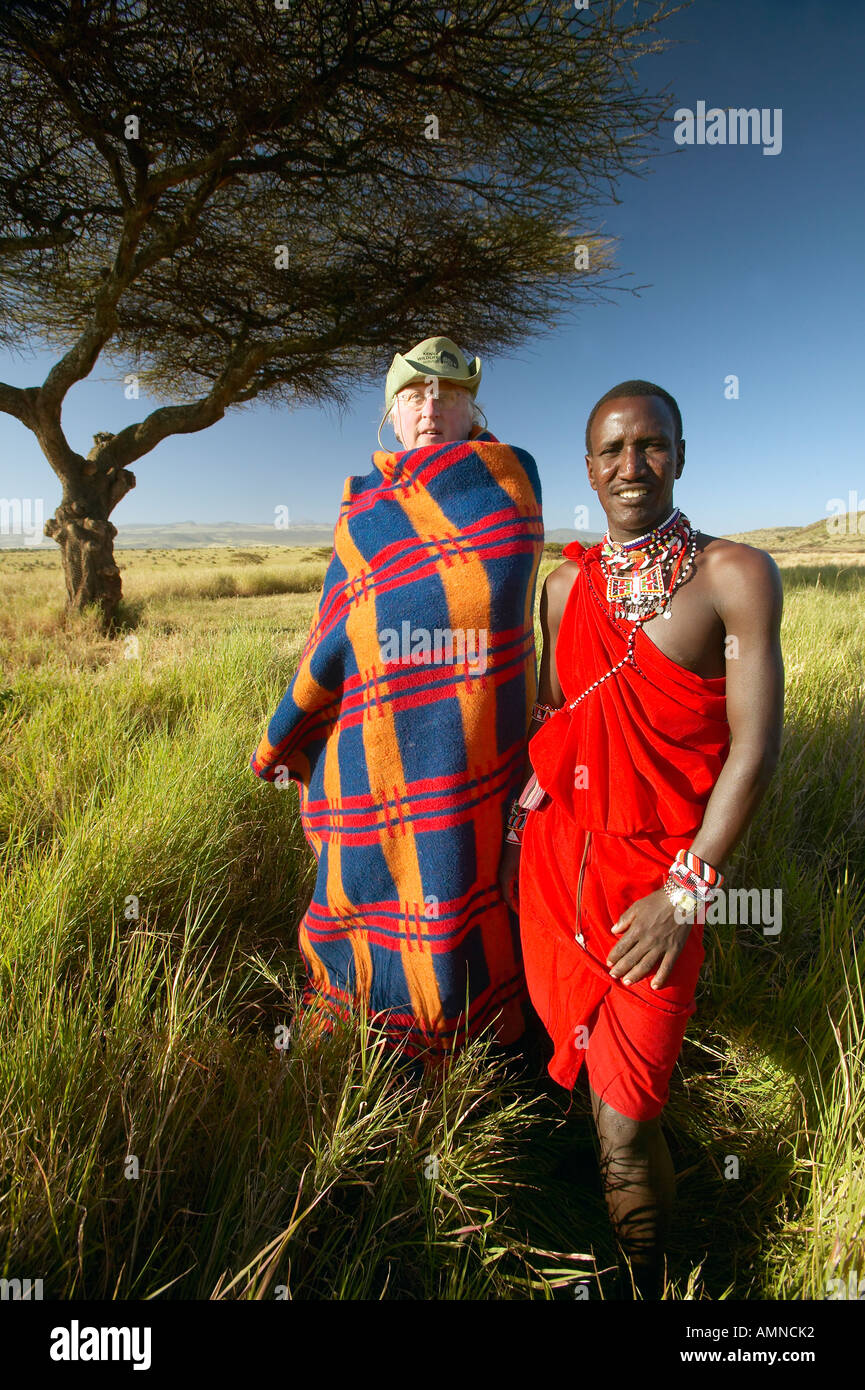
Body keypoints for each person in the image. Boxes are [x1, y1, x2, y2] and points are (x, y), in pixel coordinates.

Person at [499, 380, 784, 1298]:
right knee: (583, 1091)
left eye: (651, 445)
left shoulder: (734, 576)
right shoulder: (560, 587)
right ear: (588, 469)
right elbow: (554, 714)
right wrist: (526, 805)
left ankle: (651, 1283)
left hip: (658, 889)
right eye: (613, 450)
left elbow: (755, 746)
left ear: (680, 453)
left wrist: (684, 894)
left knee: (626, 1121)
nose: (632, 464)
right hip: (556, 869)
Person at [251, 336, 544, 1065]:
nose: (431, 406)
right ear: (390, 413)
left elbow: (494, 599)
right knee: (369, 889)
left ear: (475, 406)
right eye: (413, 395)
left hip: (477, 744)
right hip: (373, 745)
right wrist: (300, 718)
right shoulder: (366, 514)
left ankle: (475, 1056)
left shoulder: (508, 484)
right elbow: (336, 628)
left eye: (449, 391)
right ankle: (372, 1045)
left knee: (462, 893)